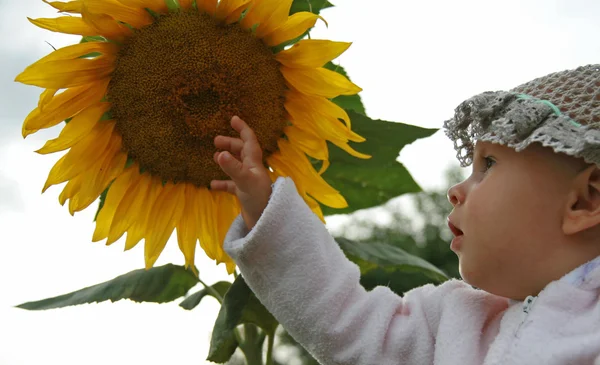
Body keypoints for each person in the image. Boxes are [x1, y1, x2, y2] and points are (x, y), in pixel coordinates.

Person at [210, 64, 600, 365]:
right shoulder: (454, 326)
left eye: (489, 164)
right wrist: (266, 210)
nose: (456, 190)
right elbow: (349, 322)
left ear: (585, 202)